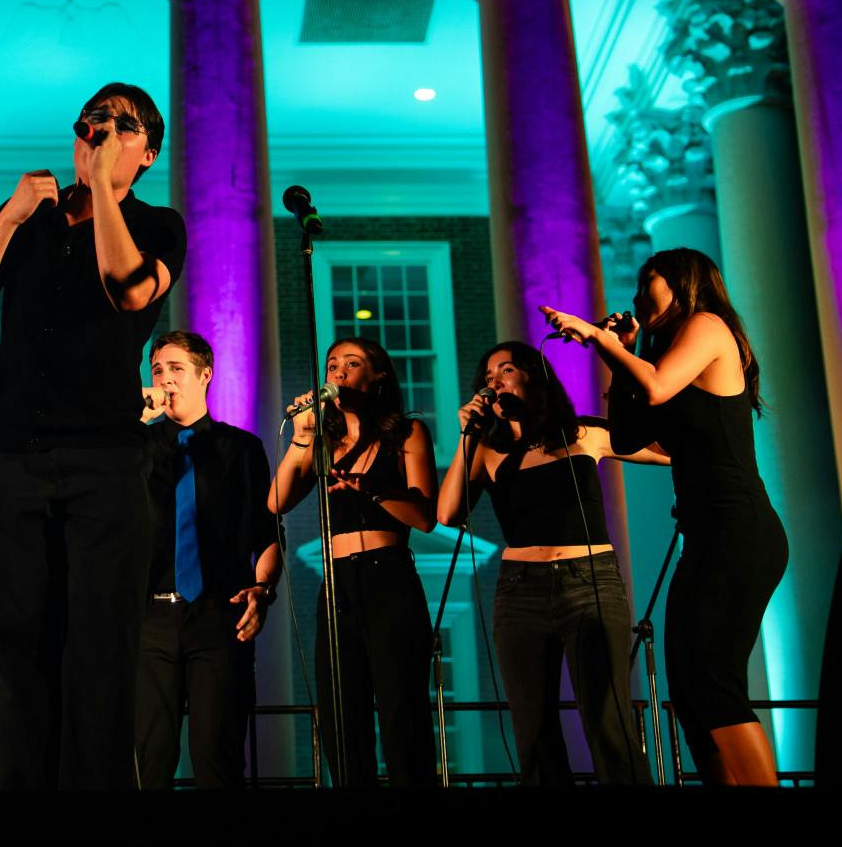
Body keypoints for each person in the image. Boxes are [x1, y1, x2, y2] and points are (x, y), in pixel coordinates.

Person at [0, 82, 185, 790]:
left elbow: (128, 288)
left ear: (148, 151)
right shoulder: (32, 224)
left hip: (104, 462)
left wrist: (103, 190)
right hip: (11, 459)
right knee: (16, 653)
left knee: (100, 655)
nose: (100, 134)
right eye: (90, 124)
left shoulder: (159, 223)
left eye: (121, 126)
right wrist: (12, 217)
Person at [542, 246, 790, 786]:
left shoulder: (707, 325)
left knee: (714, 681)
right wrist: (621, 352)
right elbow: (628, 434)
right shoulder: (664, 351)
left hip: (739, 528)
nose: (634, 295)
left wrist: (600, 339)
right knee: (688, 687)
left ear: (681, 280)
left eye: (644, 281)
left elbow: (654, 386)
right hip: (706, 536)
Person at [436, 340, 665, 785]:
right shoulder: (488, 451)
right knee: (534, 730)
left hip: (589, 582)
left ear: (532, 377)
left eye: (505, 371)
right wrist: (469, 436)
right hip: (520, 590)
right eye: (487, 378)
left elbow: (668, 451)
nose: (495, 382)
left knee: (608, 721)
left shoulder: (582, 433)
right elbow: (447, 513)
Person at [269, 337, 437, 787]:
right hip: (337, 582)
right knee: (341, 712)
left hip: (389, 575)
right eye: (331, 364)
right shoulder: (322, 441)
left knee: (402, 709)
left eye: (352, 363)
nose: (338, 372)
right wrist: (302, 439)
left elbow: (424, 516)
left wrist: (372, 491)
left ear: (377, 376)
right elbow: (277, 501)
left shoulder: (406, 432)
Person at [133, 331, 281, 789]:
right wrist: (134, 429)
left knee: (216, 756)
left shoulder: (241, 448)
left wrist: (264, 590)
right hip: (148, 618)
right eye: (158, 370)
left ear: (205, 375)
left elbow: (267, 534)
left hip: (219, 615)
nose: (166, 379)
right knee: (147, 758)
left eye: (177, 369)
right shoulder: (134, 447)